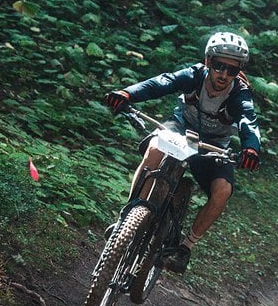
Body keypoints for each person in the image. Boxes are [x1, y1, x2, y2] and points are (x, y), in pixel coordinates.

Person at [103, 31, 261, 274]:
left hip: (214, 146)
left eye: (232, 69)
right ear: (208, 61)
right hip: (180, 129)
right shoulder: (195, 75)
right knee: (155, 148)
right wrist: (128, 94)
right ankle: (128, 217)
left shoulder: (240, 93)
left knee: (223, 190)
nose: (224, 74)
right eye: (219, 66)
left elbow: (248, 121)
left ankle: (185, 247)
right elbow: (162, 83)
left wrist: (251, 148)